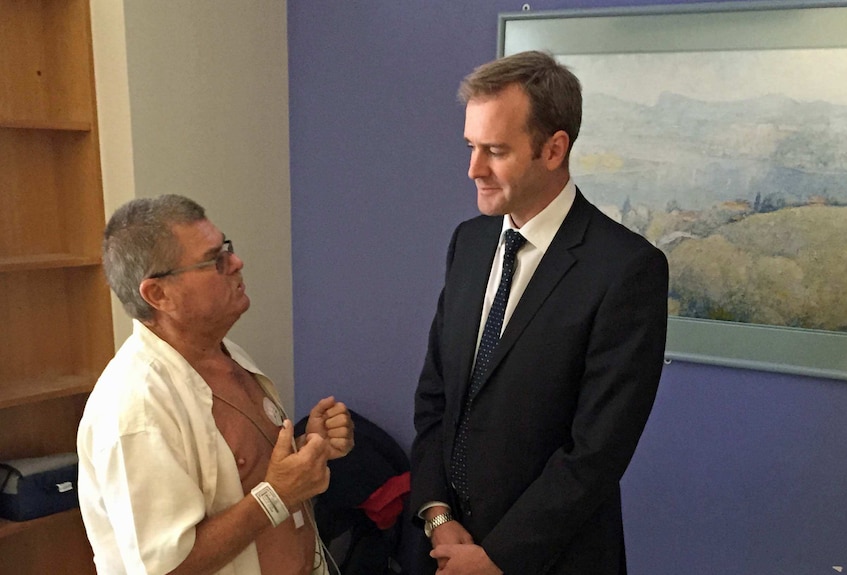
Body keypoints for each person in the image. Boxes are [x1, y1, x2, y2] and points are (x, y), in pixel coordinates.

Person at [410, 50, 669, 574]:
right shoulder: (469, 243)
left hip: (552, 559)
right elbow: (437, 396)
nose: (473, 169)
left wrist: (496, 557)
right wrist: (437, 515)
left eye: (495, 151)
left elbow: (596, 452)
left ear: (553, 149)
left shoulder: (626, 269)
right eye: (470, 146)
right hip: (446, 549)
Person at [77, 194, 354, 575]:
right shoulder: (135, 408)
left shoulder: (226, 354)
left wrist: (310, 450)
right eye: (214, 261)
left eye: (227, 249)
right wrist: (278, 495)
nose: (237, 263)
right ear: (158, 294)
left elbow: (245, 480)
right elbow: (164, 569)